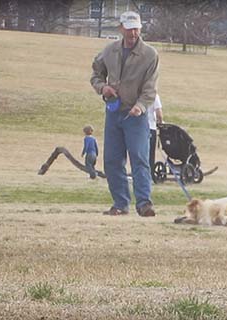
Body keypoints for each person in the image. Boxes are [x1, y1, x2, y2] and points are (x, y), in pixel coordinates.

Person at [90, 11, 159, 217]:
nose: (133, 33)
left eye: (136, 28)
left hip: (136, 116)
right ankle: (120, 204)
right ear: (121, 28)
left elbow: (150, 89)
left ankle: (144, 204)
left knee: (139, 159)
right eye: (129, 29)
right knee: (112, 160)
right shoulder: (109, 50)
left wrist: (140, 106)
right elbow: (96, 74)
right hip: (113, 112)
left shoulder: (150, 55)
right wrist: (103, 88)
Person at [147, 94, 164, 180]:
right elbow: (159, 113)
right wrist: (160, 122)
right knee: (150, 153)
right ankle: (149, 174)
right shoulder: (154, 96)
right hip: (151, 127)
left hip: (139, 127)